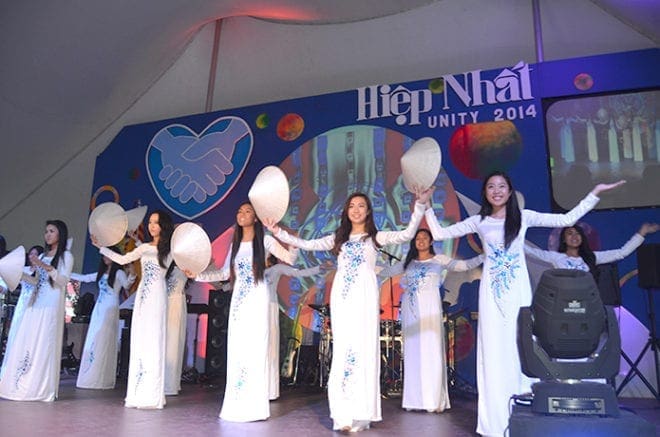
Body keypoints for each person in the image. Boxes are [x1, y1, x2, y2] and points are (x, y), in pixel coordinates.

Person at [423, 171, 625, 437]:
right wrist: (424, 205)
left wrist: (594, 193)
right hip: (492, 294)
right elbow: (438, 232)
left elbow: (567, 219)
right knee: (493, 351)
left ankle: (524, 416)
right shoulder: (479, 221)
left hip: (518, 292)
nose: (496, 190)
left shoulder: (524, 217)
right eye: (491, 186)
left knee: (521, 346)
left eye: (502, 186)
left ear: (509, 191)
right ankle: (495, 422)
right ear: (485, 193)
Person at [264, 189, 432, 433]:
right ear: (346, 211)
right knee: (343, 351)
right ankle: (342, 413)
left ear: (368, 211)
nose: (356, 210)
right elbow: (306, 244)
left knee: (363, 350)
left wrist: (420, 205)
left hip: (364, 297)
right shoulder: (337, 239)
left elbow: (407, 234)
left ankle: (361, 413)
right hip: (342, 297)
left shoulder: (376, 238)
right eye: (352, 205)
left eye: (361, 205)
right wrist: (277, 231)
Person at [189, 201, 297, 422]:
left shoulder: (265, 241)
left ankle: (255, 407)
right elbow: (222, 273)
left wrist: (290, 239)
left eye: (248, 211)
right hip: (238, 302)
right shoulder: (235, 245)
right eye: (239, 210)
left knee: (254, 349)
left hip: (257, 301)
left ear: (256, 218)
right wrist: (197, 275)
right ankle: (237, 403)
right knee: (237, 350)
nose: (242, 213)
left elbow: (291, 259)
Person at [377, 228, 484, 414]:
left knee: (431, 351)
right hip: (411, 312)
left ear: (431, 241)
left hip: (430, 309)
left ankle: (433, 400)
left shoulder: (438, 259)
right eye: (417, 238)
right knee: (413, 353)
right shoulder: (407, 263)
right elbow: (385, 271)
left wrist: (482, 257)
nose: (420, 241)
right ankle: (414, 400)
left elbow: (462, 266)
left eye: (424, 238)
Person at [91, 210, 174, 409]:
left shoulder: (170, 250)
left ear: (164, 226)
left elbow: (177, 261)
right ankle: (137, 391)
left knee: (154, 339)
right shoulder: (144, 247)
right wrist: (102, 248)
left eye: (157, 222)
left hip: (157, 296)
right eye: (151, 222)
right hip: (143, 297)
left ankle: (152, 394)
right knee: (140, 337)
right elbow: (123, 260)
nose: (152, 226)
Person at [0, 220, 74, 401]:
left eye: (51, 231)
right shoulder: (42, 255)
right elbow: (35, 282)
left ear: (60, 234)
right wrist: (18, 273)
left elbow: (63, 281)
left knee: (43, 342)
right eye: (46, 231)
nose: (47, 235)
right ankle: (22, 381)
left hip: (51, 304)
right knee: (28, 339)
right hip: (36, 301)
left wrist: (44, 266)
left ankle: (39, 387)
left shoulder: (66, 256)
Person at [264, 253, 329, 400]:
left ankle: (270, 388)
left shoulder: (276, 269)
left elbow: (298, 272)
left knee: (270, 345)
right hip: (255, 308)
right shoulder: (252, 270)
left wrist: (319, 268)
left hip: (269, 307)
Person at [71, 246, 136, 389]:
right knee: (94, 337)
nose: (105, 258)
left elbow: (127, 285)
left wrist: (132, 273)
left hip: (110, 307)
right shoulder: (102, 272)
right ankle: (91, 374)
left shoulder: (118, 272)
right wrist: (65, 274)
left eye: (107, 255)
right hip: (99, 308)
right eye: (104, 255)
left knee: (104, 339)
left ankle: (101, 377)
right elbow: (85, 278)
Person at [524, 222, 659, 276]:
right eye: (570, 234)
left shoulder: (592, 257)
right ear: (564, 239)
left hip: (588, 302)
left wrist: (642, 233)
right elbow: (531, 252)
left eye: (577, 233)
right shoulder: (555, 257)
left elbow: (621, 253)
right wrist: (508, 240)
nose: (575, 236)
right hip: (563, 302)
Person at [0, 245, 44, 380]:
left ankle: (24, 370)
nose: (32, 257)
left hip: (34, 306)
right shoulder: (23, 269)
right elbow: (9, 282)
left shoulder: (41, 272)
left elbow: (35, 282)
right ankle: (8, 370)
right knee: (14, 335)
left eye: (35, 254)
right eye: (30, 254)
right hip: (21, 305)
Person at [164, 264, 188, 396]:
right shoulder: (168, 262)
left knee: (173, 342)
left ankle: (170, 383)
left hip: (176, 303)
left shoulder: (188, 263)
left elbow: (203, 273)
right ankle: (161, 380)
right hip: (164, 302)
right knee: (164, 341)